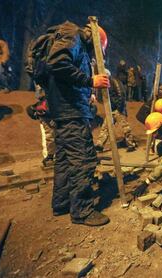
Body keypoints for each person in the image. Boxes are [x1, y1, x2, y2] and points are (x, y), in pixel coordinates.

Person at [45, 21, 111, 226]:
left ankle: (62, 203)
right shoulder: (72, 36)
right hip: (71, 111)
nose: (93, 53)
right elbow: (57, 64)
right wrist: (90, 81)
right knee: (83, 159)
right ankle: (82, 210)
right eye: (96, 50)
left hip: (64, 111)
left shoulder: (70, 39)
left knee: (65, 159)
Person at [96, 74, 137, 152]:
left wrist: (119, 108)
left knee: (125, 127)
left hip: (119, 109)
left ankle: (131, 144)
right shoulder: (106, 83)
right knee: (105, 127)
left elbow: (121, 94)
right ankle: (100, 144)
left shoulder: (115, 82)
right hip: (111, 109)